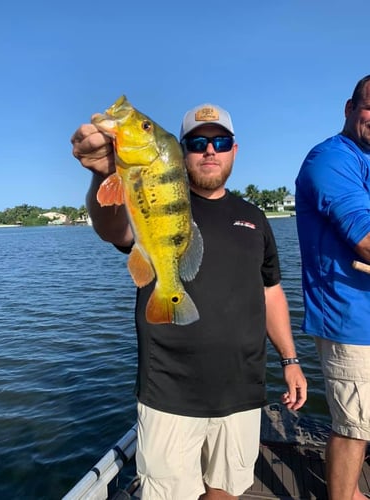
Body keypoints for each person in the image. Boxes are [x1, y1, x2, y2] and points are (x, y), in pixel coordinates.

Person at [71, 102, 307, 500]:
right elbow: (113, 228)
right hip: (168, 392)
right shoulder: (150, 188)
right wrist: (101, 177)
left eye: (220, 141)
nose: (210, 150)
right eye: (198, 142)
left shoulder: (255, 218)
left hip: (242, 390)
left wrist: (291, 360)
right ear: (180, 151)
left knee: (227, 489)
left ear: (235, 149)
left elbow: (271, 291)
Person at [295, 75, 370, 500]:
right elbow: (364, 239)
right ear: (349, 107)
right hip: (350, 319)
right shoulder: (330, 160)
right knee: (353, 427)